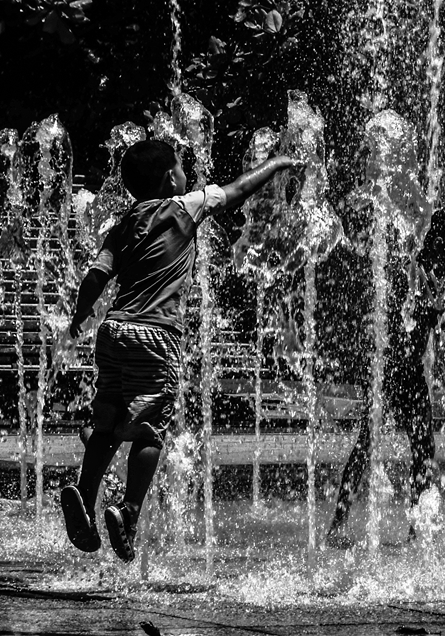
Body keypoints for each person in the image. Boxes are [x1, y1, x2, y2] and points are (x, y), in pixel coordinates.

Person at [60, 139, 299, 562]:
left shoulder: (123, 223)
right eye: (182, 167)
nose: (187, 173)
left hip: (113, 330)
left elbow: (96, 277)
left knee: (106, 423)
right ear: (171, 177)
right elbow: (240, 188)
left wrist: (81, 315)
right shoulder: (186, 204)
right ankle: (128, 511)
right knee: (149, 429)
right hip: (155, 335)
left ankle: (85, 492)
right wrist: (276, 163)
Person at [326, 211, 445, 548]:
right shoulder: (410, 270)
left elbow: (441, 326)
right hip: (392, 372)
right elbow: (410, 318)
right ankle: (339, 522)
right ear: (436, 240)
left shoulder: (430, 272)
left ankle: (413, 529)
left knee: (421, 449)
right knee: (369, 445)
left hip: (410, 374)